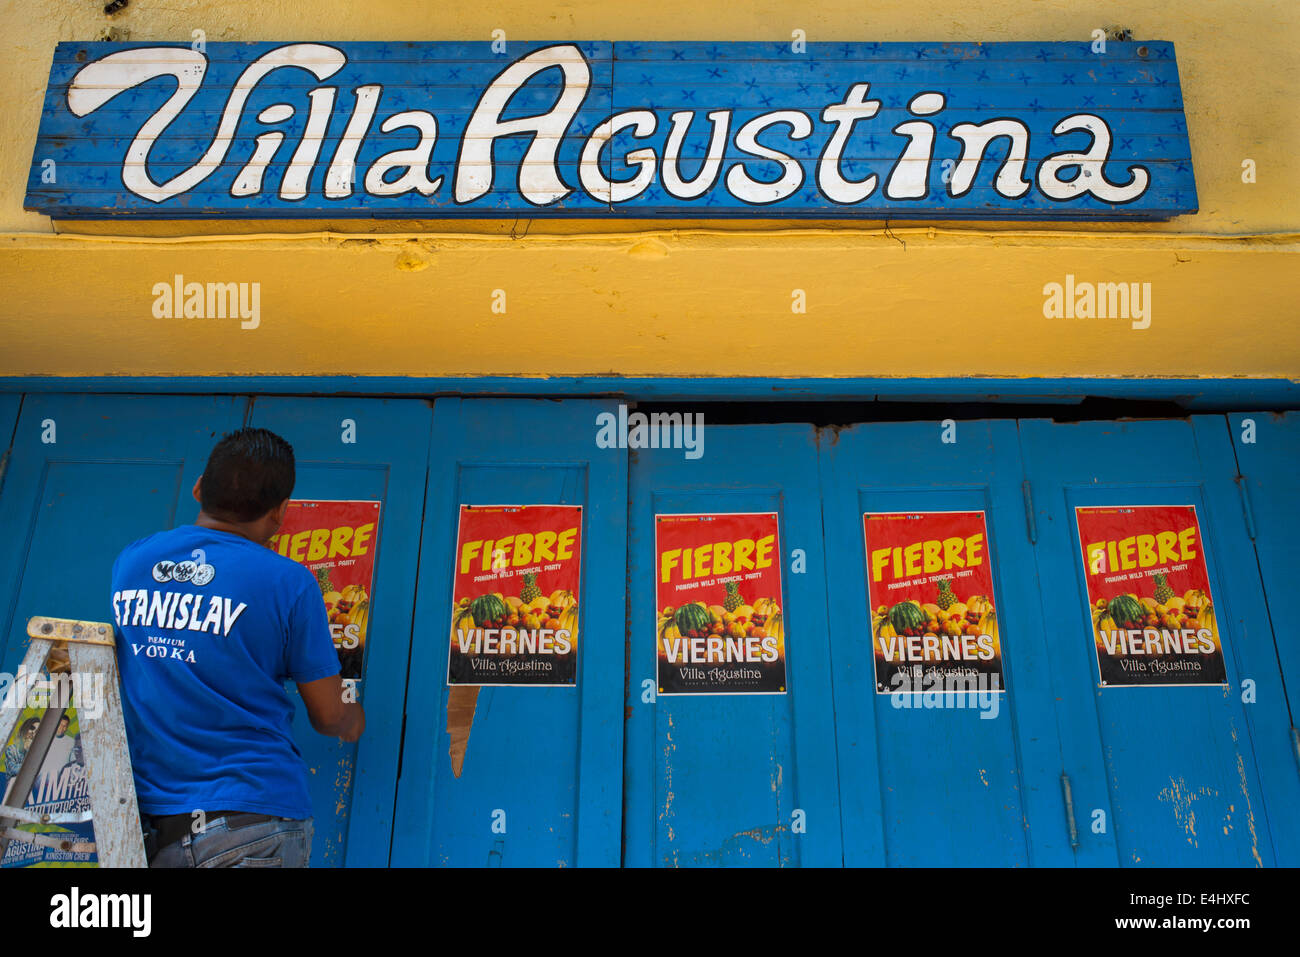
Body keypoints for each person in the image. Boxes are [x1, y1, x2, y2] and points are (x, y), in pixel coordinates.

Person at [110, 427, 364, 867]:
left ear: (198, 488)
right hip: (252, 824)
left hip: (148, 828)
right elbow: (327, 716)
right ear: (280, 513)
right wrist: (352, 716)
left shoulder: (133, 561)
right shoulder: (291, 584)